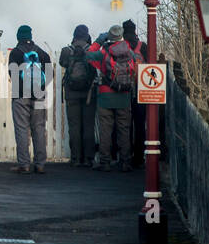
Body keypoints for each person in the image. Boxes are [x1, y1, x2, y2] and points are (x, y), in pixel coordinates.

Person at [87, 24, 137, 171]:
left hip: (105, 97)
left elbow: (88, 54)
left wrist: (99, 41)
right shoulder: (129, 52)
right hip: (124, 96)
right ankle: (125, 162)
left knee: (105, 131)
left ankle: (105, 162)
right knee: (124, 130)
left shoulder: (104, 53)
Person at [7, 25, 52, 174]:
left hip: (20, 96)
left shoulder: (15, 53)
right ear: (30, 36)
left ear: (18, 37)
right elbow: (50, 73)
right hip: (39, 96)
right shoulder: (42, 53)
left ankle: (24, 165)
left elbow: (12, 74)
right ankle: (40, 164)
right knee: (38, 128)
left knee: (21, 129)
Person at [59, 25, 96, 167]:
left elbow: (63, 63)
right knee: (88, 125)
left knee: (74, 126)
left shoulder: (66, 51)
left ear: (74, 35)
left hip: (71, 93)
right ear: (86, 36)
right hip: (89, 93)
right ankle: (88, 158)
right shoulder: (91, 51)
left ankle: (75, 158)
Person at [122, 20, 147, 168]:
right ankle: (139, 156)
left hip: (123, 89)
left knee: (124, 125)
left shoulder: (119, 47)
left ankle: (125, 155)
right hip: (140, 89)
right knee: (139, 124)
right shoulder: (142, 47)